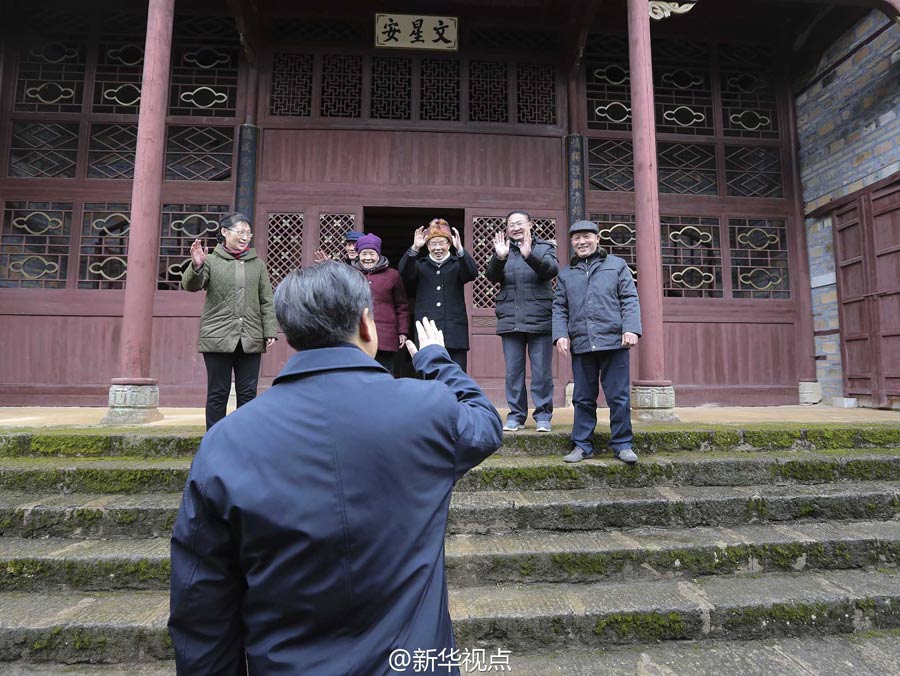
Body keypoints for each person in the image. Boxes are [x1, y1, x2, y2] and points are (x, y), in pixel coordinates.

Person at [169, 261, 503, 675]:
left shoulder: (227, 440)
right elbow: (485, 423)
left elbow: (201, 605)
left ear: (290, 333)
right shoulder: (426, 409)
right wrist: (437, 360)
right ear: (366, 323)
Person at [552, 219, 641, 464]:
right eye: (576, 238)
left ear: (597, 239)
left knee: (618, 397)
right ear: (572, 242)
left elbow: (629, 298)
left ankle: (622, 444)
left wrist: (631, 328)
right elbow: (559, 307)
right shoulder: (566, 273)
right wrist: (560, 334)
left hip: (614, 341)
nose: (581, 242)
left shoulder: (616, 265)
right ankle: (582, 445)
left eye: (586, 237)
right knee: (582, 397)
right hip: (582, 343)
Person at [182, 213, 277, 430]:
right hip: (217, 336)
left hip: (250, 337)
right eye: (240, 232)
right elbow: (191, 286)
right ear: (224, 232)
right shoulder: (211, 261)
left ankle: (244, 439)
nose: (245, 237)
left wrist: (270, 330)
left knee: (248, 393)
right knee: (218, 392)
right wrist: (196, 266)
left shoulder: (257, 264)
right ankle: (215, 439)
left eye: (248, 233)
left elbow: (266, 299)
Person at [485, 210, 558, 433]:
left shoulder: (544, 247)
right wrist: (499, 258)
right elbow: (491, 277)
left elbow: (550, 271)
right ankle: (516, 415)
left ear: (530, 225)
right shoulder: (503, 249)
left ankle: (543, 416)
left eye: (519, 223)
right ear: (507, 229)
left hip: (540, 319)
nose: (515, 228)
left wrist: (530, 255)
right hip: (510, 319)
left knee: (541, 372)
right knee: (513, 372)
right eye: (511, 225)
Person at [398, 219, 477, 372]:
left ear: (449, 244)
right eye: (433, 243)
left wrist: (460, 249)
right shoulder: (420, 265)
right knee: (428, 372)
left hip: (454, 331)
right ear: (427, 246)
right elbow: (404, 273)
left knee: (457, 372)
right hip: (427, 330)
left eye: (442, 243)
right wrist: (414, 248)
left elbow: (472, 273)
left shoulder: (457, 263)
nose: (438, 248)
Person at [352, 232, 409, 374]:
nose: (368, 258)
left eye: (372, 253)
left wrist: (402, 331)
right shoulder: (350, 274)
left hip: (385, 337)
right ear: (358, 254)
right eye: (364, 253)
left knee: (385, 373)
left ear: (378, 254)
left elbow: (401, 306)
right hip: (357, 335)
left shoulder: (393, 275)